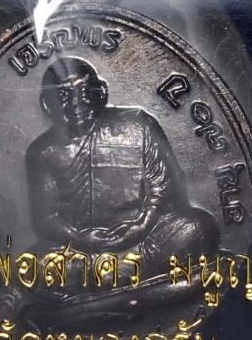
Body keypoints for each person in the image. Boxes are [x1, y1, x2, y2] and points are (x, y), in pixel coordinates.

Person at [26, 57, 219, 265]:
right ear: (46, 103)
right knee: (33, 263)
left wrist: (141, 226)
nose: (76, 102)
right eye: (64, 95)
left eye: (83, 92)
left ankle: (110, 274)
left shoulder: (138, 125)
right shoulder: (42, 151)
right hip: (83, 250)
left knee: (198, 226)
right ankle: (128, 270)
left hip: (145, 240)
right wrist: (80, 238)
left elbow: (169, 192)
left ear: (101, 92)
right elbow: (45, 220)